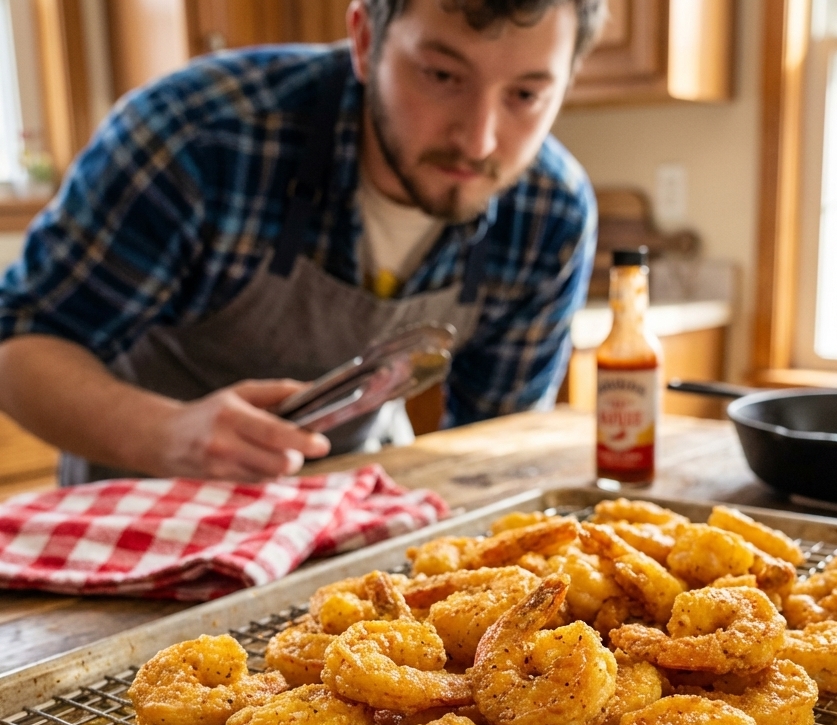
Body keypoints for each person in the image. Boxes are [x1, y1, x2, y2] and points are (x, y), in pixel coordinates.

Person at [0, 0, 601, 483]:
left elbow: (495, 447)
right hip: (140, 517)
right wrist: (169, 435)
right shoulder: (200, 138)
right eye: (441, 75)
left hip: (355, 512)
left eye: (525, 95)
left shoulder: (548, 212)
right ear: (366, 42)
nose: (478, 140)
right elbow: (19, 344)